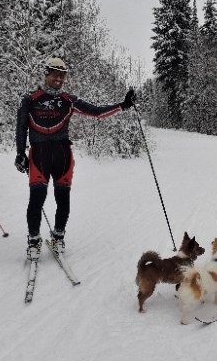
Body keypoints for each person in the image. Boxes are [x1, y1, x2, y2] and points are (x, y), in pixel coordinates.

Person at [15, 57, 136, 260]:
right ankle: (34, 241)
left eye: (62, 74)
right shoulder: (30, 98)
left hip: (62, 155)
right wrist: (20, 153)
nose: (59, 78)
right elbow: (21, 126)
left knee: (63, 200)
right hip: (38, 155)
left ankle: (58, 237)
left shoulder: (69, 100)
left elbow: (97, 112)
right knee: (36, 199)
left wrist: (122, 105)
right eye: (55, 73)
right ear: (46, 73)